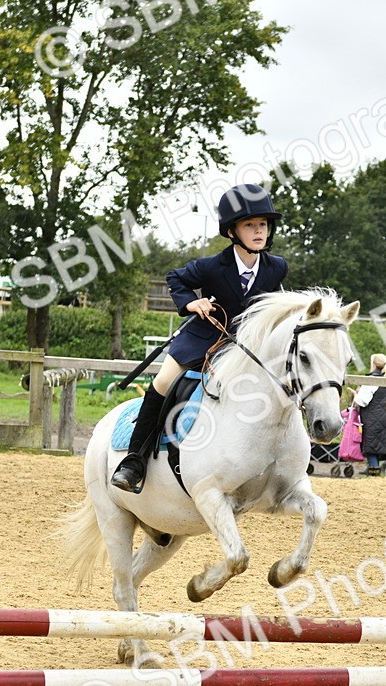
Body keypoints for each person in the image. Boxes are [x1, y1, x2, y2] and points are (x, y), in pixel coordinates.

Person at [111, 183, 288, 492]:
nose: (259, 231)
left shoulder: (277, 268)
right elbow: (175, 277)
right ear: (232, 231)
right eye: (250, 225)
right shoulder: (210, 267)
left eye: (263, 224)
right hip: (202, 339)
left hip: (246, 348)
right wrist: (191, 302)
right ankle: (134, 461)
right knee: (164, 382)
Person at [352, 353, 386, 476]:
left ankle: (374, 470)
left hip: (372, 417)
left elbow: (361, 401)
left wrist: (355, 395)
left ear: (373, 364)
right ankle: (374, 468)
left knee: (371, 446)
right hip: (384, 416)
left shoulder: (371, 380)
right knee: (378, 444)